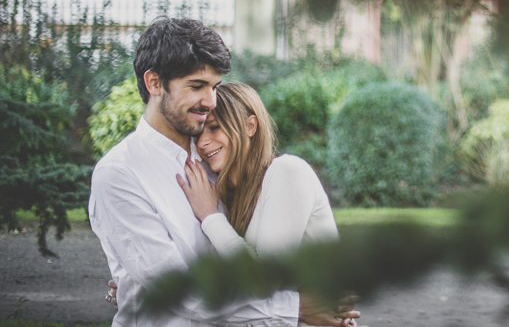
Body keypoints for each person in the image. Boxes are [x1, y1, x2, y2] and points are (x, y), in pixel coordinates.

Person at [90, 17, 347, 327]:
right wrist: (294, 308)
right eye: (197, 86)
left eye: (215, 87)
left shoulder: (219, 162)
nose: (210, 101)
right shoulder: (120, 174)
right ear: (154, 83)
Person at [174, 82, 358, 327]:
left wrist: (209, 215)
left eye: (215, 128)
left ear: (250, 126)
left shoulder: (288, 172)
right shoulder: (232, 196)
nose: (202, 143)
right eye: (198, 134)